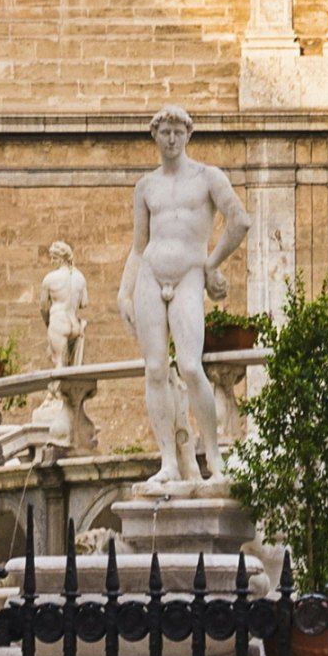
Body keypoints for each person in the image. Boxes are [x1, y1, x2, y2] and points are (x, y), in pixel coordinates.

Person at [119, 108, 253, 485]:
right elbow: (138, 246)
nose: (172, 138)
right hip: (149, 273)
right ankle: (169, 462)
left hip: (190, 273)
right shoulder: (146, 187)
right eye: (165, 132)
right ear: (155, 136)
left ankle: (214, 458)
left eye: (178, 131)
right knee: (156, 369)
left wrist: (211, 264)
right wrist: (123, 290)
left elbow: (240, 220)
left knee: (191, 367)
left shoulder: (208, 177)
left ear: (188, 135)